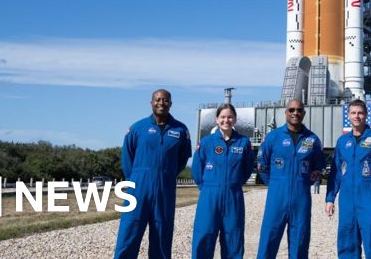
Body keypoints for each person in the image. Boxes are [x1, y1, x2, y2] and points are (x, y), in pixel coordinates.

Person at [114, 89, 192, 259]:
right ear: (151, 102)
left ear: (170, 104)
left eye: (165, 100)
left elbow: (182, 159)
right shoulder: (137, 128)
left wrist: (167, 174)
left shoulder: (180, 130)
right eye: (157, 99)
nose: (161, 103)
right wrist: (135, 180)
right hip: (137, 189)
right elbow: (127, 158)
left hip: (165, 189)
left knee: (162, 234)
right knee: (129, 233)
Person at [256, 98, 325, 259]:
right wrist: (275, 184)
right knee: (268, 241)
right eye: (292, 110)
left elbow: (319, 167)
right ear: (285, 112)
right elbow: (262, 165)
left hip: (301, 199)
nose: (295, 113)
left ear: (304, 113)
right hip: (276, 198)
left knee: (300, 243)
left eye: (299, 110)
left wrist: (303, 182)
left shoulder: (312, 140)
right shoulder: (273, 137)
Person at [325, 99, 371, 259]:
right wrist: (330, 198)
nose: (357, 116)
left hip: (369, 199)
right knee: (347, 243)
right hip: (347, 201)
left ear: (366, 115)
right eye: (353, 113)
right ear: (348, 115)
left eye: (360, 113)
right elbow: (336, 173)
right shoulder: (342, 141)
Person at [192, 104, 255, 259]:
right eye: (223, 117)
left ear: (235, 119)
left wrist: (234, 183)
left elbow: (247, 168)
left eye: (230, 117)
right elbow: (197, 170)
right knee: (204, 236)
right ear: (216, 119)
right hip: (209, 196)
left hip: (233, 196)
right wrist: (207, 187)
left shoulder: (243, 142)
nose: (226, 120)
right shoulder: (206, 142)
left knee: (233, 238)